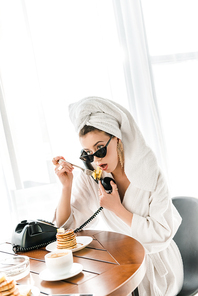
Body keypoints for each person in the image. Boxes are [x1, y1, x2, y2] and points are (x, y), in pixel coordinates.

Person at [52, 96, 183, 296]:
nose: (96, 159)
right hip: (122, 262)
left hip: (159, 266)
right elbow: (64, 229)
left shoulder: (150, 174)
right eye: (88, 153)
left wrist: (117, 209)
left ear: (117, 139)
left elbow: (161, 234)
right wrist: (66, 187)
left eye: (100, 148)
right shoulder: (92, 176)